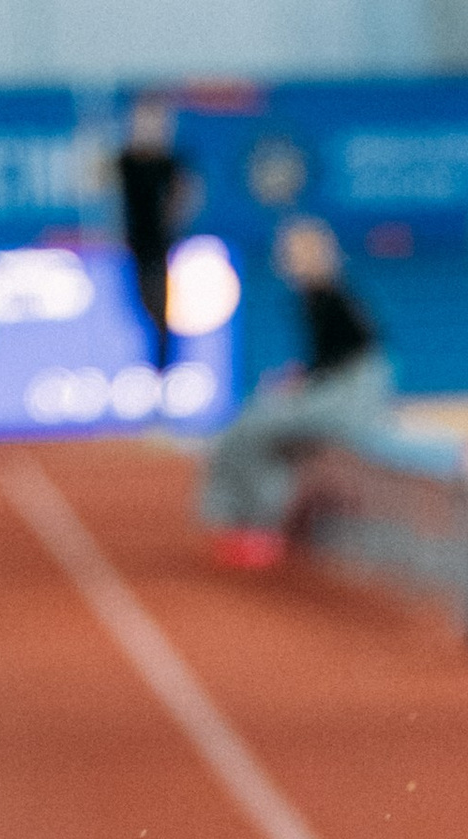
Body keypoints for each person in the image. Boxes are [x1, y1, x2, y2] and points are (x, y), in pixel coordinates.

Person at [197, 221, 392, 569]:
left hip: (348, 398)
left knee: (257, 429)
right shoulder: (315, 297)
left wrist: (304, 382)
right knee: (250, 424)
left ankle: (262, 527)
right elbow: (332, 355)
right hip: (338, 390)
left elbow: (356, 353)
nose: (287, 259)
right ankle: (240, 521)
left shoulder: (329, 295)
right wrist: (302, 379)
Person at [116, 97, 198, 377]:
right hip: (135, 243)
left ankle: (164, 365)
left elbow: (186, 192)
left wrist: (174, 220)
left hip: (161, 245)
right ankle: (158, 365)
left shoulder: (169, 162)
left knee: (160, 304)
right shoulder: (126, 161)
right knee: (141, 303)